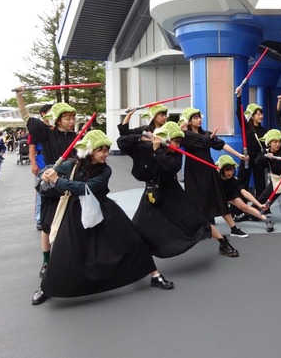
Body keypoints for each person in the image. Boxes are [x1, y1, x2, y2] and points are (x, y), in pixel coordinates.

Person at [31, 130, 173, 305]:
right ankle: (46, 288)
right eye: (102, 151)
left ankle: (155, 275)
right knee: (63, 252)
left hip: (104, 209)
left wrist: (57, 180)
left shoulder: (106, 170)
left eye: (107, 150)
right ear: (91, 151)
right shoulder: (71, 165)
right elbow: (48, 174)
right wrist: (46, 175)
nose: (106, 154)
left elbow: (85, 189)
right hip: (75, 213)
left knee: (133, 241)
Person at [117, 120, 239, 258]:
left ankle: (223, 242)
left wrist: (157, 151)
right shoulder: (146, 147)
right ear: (166, 140)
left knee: (196, 219)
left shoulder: (175, 155)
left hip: (173, 193)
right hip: (153, 193)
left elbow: (172, 166)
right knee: (138, 225)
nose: (178, 145)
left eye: (180, 142)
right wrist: (140, 137)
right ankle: (135, 257)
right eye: (176, 141)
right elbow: (121, 142)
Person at [16, 86, 79, 279]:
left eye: (73, 118)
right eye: (67, 118)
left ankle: (72, 259)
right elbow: (26, 117)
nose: (71, 121)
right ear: (58, 119)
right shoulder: (46, 133)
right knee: (47, 225)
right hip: (51, 185)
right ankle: (46, 261)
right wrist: (19, 96)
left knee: (72, 224)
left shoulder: (77, 137)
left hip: (70, 185)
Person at [179, 107, 249, 238]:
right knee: (195, 201)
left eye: (199, 117)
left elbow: (221, 144)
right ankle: (200, 229)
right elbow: (176, 138)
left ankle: (234, 228)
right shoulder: (185, 135)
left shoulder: (206, 134)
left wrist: (238, 155)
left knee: (219, 198)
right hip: (193, 173)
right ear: (189, 121)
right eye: (195, 118)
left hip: (208, 170)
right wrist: (181, 129)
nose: (199, 120)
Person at [216, 154, 275, 232]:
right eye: (227, 170)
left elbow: (245, 193)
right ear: (221, 169)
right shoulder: (214, 176)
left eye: (232, 170)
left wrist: (260, 205)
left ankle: (267, 220)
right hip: (216, 195)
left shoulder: (235, 180)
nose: (230, 173)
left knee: (244, 206)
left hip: (229, 195)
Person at [235, 86, 268, 197]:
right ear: (252, 116)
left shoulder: (264, 131)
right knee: (242, 180)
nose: (261, 116)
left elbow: (266, 145)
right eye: (258, 114)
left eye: (261, 114)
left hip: (259, 158)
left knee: (261, 182)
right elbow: (239, 113)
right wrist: (238, 97)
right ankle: (240, 203)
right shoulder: (246, 127)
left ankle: (261, 204)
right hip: (247, 156)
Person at [29, 104, 53, 230]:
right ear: (43, 114)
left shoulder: (56, 127)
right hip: (41, 164)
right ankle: (39, 218)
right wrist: (33, 163)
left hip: (55, 164)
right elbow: (32, 148)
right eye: (50, 111)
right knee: (40, 192)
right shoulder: (36, 129)